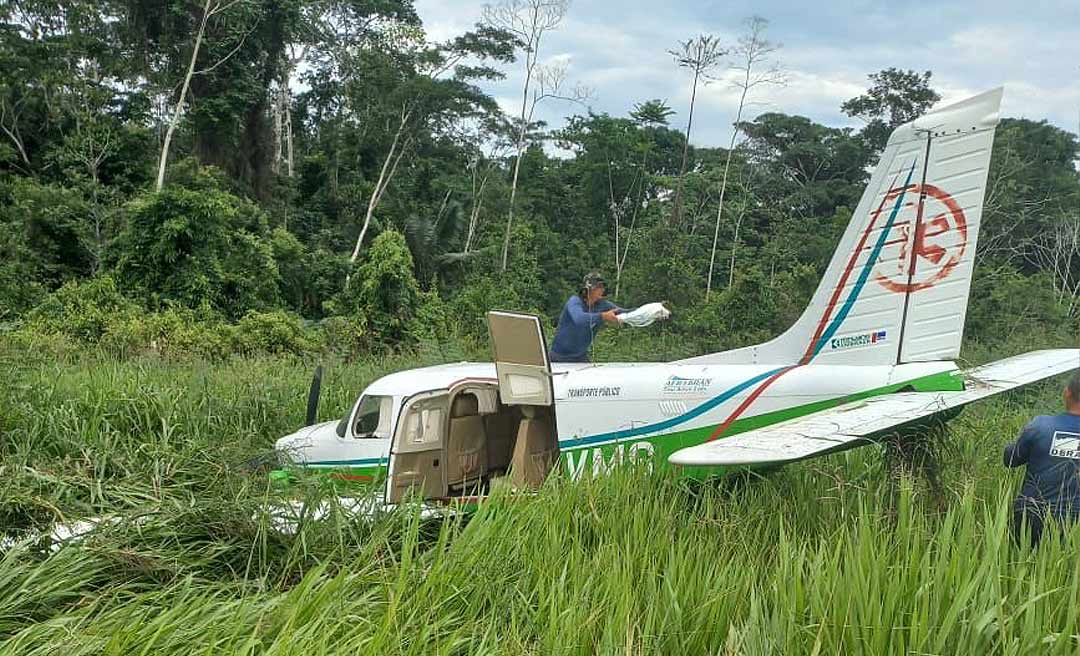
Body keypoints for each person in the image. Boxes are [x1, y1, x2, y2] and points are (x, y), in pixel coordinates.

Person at [1004, 370, 1080, 547]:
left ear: (1067, 392)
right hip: (1075, 522)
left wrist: (1021, 439)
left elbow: (1010, 459)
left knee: (1021, 561)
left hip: (1032, 516)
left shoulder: (1041, 426)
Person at [548, 272, 625, 363]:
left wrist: (640, 312)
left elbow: (625, 312)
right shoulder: (574, 301)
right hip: (557, 357)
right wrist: (603, 316)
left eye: (603, 286)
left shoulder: (603, 304)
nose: (602, 289)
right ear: (588, 289)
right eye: (599, 286)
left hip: (580, 358)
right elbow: (579, 319)